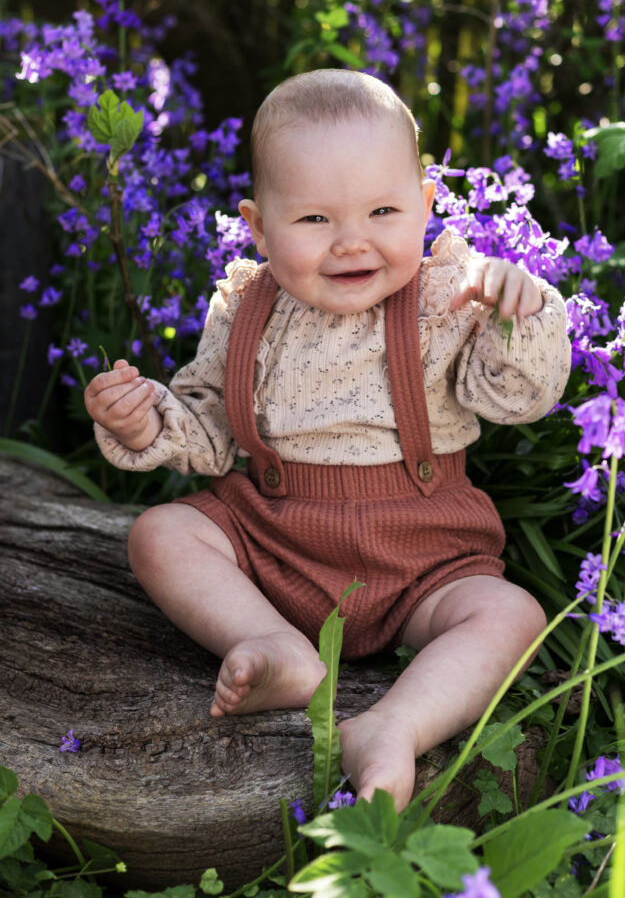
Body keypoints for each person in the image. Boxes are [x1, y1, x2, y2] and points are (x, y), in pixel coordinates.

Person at [84, 69, 571, 812]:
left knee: (510, 615)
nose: (351, 242)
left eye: (382, 210)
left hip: (421, 559)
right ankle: (276, 647)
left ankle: (392, 727)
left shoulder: (446, 299)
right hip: (274, 544)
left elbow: (514, 398)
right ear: (258, 226)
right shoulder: (246, 308)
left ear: (426, 205)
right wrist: (145, 418)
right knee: (161, 533)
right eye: (313, 220)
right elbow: (212, 432)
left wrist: (520, 315)